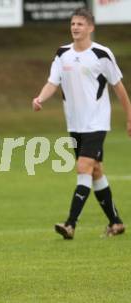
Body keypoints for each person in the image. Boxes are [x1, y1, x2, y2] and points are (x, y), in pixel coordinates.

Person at [32, 8, 131, 239]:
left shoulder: (102, 54)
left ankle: (70, 224)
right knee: (95, 171)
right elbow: (51, 83)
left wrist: (129, 118)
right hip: (74, 124)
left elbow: (119, 89)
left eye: (80, 24)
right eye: (73, 23)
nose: (75, 27)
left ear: (90, 28)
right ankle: (116, 222)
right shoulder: (62, 53)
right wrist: (40, 98)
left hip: (97, 123)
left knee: (83, 168)